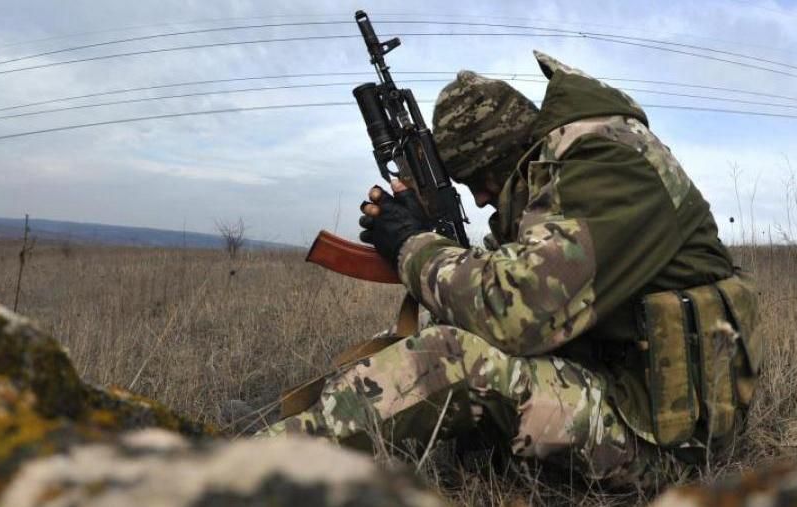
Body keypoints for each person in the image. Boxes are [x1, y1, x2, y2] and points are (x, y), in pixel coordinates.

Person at [258, 51, 760, 485]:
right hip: (621, 394)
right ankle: (296, 420)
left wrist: (412, 245)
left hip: (665, 443)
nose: (478, 199)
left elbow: (512, 314)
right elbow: (492, 283)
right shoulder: (562, 174)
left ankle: (251, 466)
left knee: (449, 356)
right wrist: (423, 242)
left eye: (480, 179)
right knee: (438, 327)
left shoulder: (609, 163)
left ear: (511, 153)